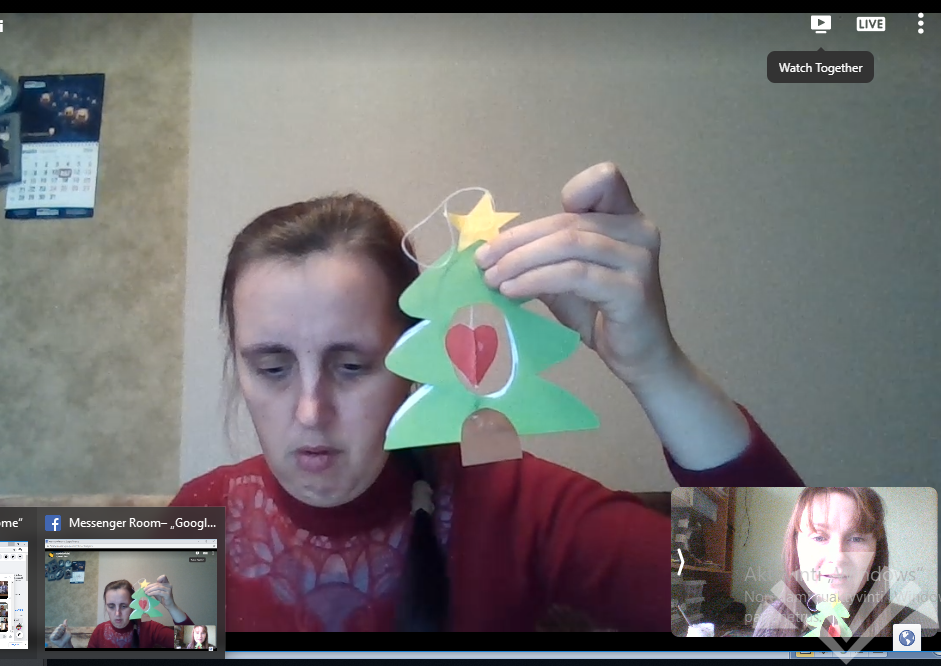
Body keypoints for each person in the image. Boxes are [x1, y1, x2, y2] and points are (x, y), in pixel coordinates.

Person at [170, 161, 804, 632]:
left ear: (415, 365)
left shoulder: (511, 503)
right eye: (272, 368)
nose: (311, 412)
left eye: (353, 366)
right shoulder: (201, 513)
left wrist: (658, 369)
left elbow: (796, 619)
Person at [753, 487, 938, 637]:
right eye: (818, 537)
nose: (838, 556)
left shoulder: (917, 629)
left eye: (856, 538)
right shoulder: (772, 622)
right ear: (796, 546)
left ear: (876, 550)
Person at [48, 576, 194, 648]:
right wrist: (66, 646)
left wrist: (171, 606)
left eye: (124, 606)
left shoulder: (149, 628)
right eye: (111, 606)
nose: (117, 614)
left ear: (133, 606)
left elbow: (193, 646)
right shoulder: (100, 631)